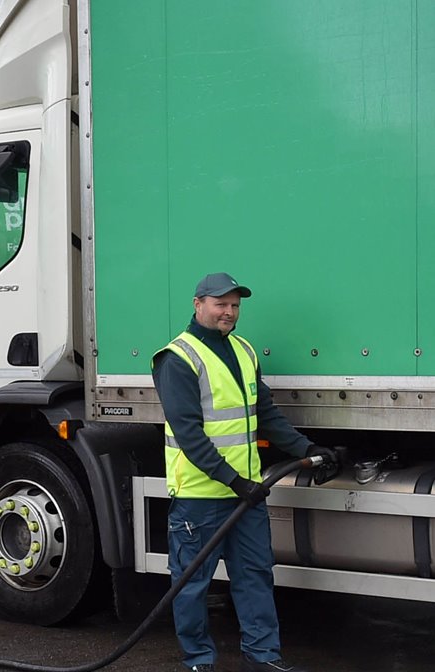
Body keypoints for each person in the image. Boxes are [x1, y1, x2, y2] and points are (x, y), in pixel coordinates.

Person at [151, 272, 337, 672]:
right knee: (192, 586)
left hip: (246, 496)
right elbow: (189, 436)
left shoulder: (243, 350)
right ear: (198, 304)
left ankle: (262, 658)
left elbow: (264, 414)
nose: (229, 312)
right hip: (200, 498)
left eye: (235, 305)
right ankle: (199, 662)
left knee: (254, 577)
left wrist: (308, 448)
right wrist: (237, 482)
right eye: (221, 304)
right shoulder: (177, 358)